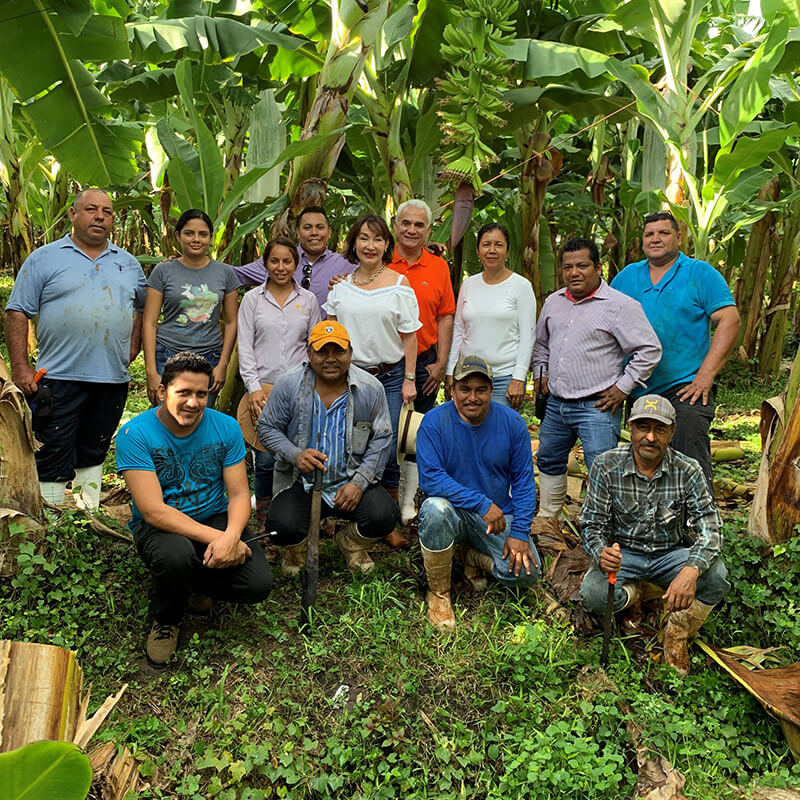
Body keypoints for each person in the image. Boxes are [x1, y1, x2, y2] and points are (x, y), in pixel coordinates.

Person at [116, 352, 273, 668]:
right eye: (183, 393)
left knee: (259, 584)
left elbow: (240, 493)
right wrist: (224, 540)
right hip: (163, 525)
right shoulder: (135, 434)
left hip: (214, 513)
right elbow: (153, 512)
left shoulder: (226, 427)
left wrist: (231, 534)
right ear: (163, 392)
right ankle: (167, 617)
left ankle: (191, 582)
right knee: (175, 556)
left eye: (201, 394)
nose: (193, 402)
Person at [5, 188, 146, 507]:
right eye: (91, 209)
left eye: (107, 212)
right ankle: (51, 524)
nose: (100, 217)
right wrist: (20, 368)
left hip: (111, 379)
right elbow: (17, 312)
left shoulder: (129, 264)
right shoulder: (44, 258)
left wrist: (132, 348)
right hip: (58, 377)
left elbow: (143, 312)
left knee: (94, 450)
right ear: (73, 214)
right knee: (52, 448)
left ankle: (86, 517)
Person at [579, 395, 730, 675]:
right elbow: (591, 525)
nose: (650, 437)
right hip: (623, 555)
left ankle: (676, 630)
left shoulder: (688, 470)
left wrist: (691, 570)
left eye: (659, 429)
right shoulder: (606, 465)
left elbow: (711, 529)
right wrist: (601, 553)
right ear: (630, 428)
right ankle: (634, 595)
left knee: (716, 576)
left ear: (672, 432)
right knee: (593, 594)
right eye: (642, 427)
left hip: (669, 554)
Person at [531, 237, 662, 531]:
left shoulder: (619, 306)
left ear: (598, 267)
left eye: (582, 265)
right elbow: (541, 345)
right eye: (567, 267)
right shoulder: (554, 302)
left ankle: (599, 527)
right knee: (549, 458)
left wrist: (623, 387)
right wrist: (540, 378)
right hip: (556, 403)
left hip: (597, 405)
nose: (574, 273)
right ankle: (549, 516)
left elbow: (649, 349)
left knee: (602, 468)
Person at [611, 211, 741, 491]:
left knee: (689, 456)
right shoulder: (626, 277)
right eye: (649, 234)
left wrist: (705, 375)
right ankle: (652, 527)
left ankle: (700, 526)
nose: (655, 239)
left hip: (686, 385)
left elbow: (730, 320)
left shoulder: (699, 273)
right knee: (644, 460)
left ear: (679, 238)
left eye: (663, 233)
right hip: (638, 387)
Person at [258, 321, 399, 574]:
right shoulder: (289, 385)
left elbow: (382, 438)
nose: (330, 359)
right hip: (301, 483)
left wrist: (360, 482)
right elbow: (267, 429)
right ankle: (298, 549)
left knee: (384, 516)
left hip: (350, 481)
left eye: (338, 351)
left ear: (351, 353)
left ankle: (350, 542)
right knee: (280, 526)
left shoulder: (370, 388)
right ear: (309, 353)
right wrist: (295, 454)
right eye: (322, 352)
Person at [416, 355, 540, 630]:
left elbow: (523, 480)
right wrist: (481, 502)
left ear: (491, 391)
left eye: (480, 390)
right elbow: (431, 478)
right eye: (465, 389)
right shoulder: (434, 422)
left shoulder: (512, 423)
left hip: (495, 519)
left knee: (527, 574)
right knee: (434, 508)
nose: (472, 397)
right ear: (452, 390)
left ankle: (472, 557)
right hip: (454, 513)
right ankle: (438, 593)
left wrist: (520, 532)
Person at [323, 213, 421, 500]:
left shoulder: (399, 284)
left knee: (387, 445)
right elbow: (331, 333)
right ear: (353, 243)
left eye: (378, 239)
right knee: (346, 442)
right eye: (364, 238)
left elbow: (410, 336)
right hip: (347, 377)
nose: (370, 245)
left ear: (386, 244)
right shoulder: (341, 287)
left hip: (389, 376)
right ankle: (340, 504)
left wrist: (409, 379)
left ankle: (385, 511)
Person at [237, 237, 321, 530]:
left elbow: (315, 347)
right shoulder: (252, 300)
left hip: (300, 389)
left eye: (287, 261)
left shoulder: (308, 300)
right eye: (275, 261)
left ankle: (294, 519)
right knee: (265, 459)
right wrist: (253, 386)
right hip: (264, 390)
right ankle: (265, 522)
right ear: (265, 263)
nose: (281, 267)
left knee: (298, 453)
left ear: (296, 265)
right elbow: (245, 346)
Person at [388, 199, 456, 524]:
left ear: (429, 230)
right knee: (385, 432)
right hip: (387, 362)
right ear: (395, 226)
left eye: (419, 225)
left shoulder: (439, 267)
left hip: (426, 361)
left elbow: (445, 316)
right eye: (406, 223)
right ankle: (384, 501)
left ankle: (407, 504)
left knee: (418, 432)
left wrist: (442, 363)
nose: (412, 230)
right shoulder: (381, 262)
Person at [143, 209, 239, 408]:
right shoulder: (163, 271)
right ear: (178, 236)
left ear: (210, 238)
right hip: (167, 355)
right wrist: (151, 371)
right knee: (164, 416)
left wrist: (223, 364)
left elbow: (231, 322)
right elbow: (149, 322)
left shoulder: (225, 274)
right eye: (189, 233)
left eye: (203, 234)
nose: (196, 239)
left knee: (199, 417)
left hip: (209, 357)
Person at [446, 223, 536, 409]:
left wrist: (519, 378)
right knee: (465, 432)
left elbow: (528, 337)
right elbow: (459, 330)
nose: (492, 250)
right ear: (478, 251)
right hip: (467, 374)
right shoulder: (469, 284)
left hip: (503, 377)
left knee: (498, 433)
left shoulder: (521, 286)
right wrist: (450, 371)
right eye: (486, 245)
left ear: (508, 251)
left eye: (498, 245)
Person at [233, 206, 352, 316]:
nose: (314, 233)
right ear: (298, 233)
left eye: (320, 227)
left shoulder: (346, 264)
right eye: (307, 227)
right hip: (284, 335)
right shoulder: (277, 262)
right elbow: (233, 275)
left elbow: (368, 283)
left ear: (329, 232)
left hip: (326, 336)